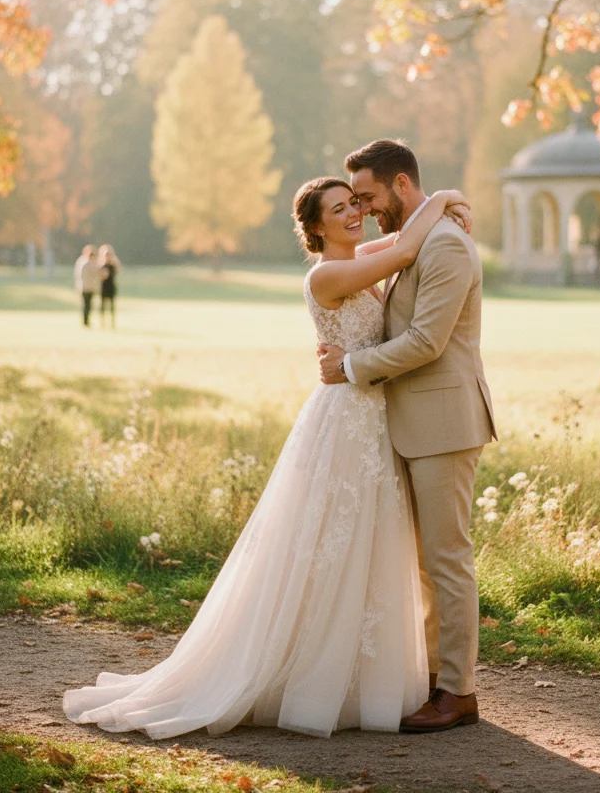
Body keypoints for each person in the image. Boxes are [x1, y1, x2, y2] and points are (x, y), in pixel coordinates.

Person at [64, 175, 474, 739]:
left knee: (368, 548)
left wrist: (441, 202)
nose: (355, 213)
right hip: (344, 421)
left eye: (357, 203)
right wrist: (444, 200)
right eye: (340, 208)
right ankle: (304, 671)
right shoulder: (328, 274)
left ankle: (367, 674)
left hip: (373, 424)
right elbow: (405, 246)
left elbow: (404, 242)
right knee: (324, 548)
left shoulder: (358, 257)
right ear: (316, 227)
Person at [318, 139, 497, 735]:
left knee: (446, 560)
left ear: (399, 185)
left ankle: (458, 691)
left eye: (367, 196)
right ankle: (430, 680)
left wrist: (349, 366)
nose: (363, 210)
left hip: (444, 423)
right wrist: (445, 195)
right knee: (423, 564)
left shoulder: (445, 245)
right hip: (412, 423)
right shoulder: (415, 239)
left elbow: (426, 342)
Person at [73, 245, 100, 327]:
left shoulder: (83, 261)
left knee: (88, 305)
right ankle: (85, 321)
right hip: (85, 287)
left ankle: (86, 320)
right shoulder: (86, 262)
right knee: (86, 305)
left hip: (88, 286)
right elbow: (95, 272)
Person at [98, 244, 120, 329]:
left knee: (112, 307)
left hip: (111, 287)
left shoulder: (113, 265)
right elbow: (101, 275)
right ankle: (102, 322)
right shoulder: (101, 265)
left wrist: (113, 259)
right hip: (104, 287)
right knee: (103, 306)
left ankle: (112, 322)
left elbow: (118, 269)